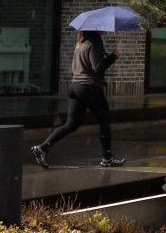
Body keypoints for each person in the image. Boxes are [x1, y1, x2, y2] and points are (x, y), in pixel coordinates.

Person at [32, 30, 125, 167]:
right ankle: (107, 157)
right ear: (96, 28)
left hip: (76, 87)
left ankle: (43, 147)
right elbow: (98, 67)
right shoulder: (94, 42)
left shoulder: (81, 42)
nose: (105, 29)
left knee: (71, 125)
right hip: (90, 88)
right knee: (104, 121)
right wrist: (114, 56)